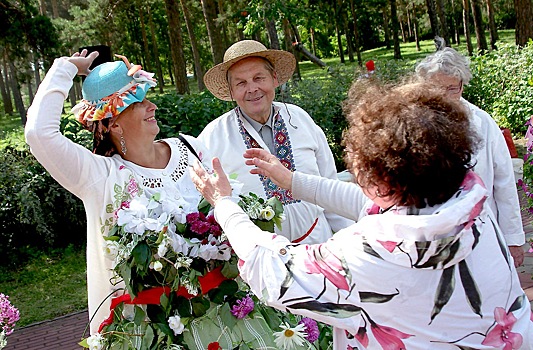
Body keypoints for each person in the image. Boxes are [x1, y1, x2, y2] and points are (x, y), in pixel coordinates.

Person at [191, 81, 533, 349]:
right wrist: (292, 179)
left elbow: (272, 272)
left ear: (380, 176)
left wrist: (223, 203)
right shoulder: (466, 198)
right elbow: (375, 206)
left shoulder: (368, 253)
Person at [25, 50, 214, 334]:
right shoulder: (98, 176)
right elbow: (39, 134)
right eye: (139, 100)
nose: (152, 106)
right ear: (112, 122)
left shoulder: (189, 148)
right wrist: (64, 69)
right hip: (144, 331)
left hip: (216, 315)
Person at [198, 39, 353, 244]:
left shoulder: (301, 119)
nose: (252, 89)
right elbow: (206, 201)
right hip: (261, 260)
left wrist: (346, 242)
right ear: (231, 91)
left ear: (274, 79)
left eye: (258, 78)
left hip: (319, 244)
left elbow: (330, 184)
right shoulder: (213, 137)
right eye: (241, 83)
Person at [415, 44, 525, 267]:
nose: (445, 96)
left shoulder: (482, 122)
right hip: (432, 238)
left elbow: (504, 185)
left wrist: (513, 239)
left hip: (481, 232)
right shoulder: (413, 124)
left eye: (452, 89)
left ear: (462, 86)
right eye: (436, 89)